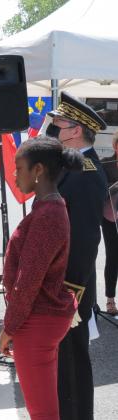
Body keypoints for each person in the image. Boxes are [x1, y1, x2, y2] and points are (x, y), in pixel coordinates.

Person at [0, 136, 80, 420]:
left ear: (38, 171)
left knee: (42, 413)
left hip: (36, 320)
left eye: (18, 168)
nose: (14, 175)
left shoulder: (48, 214)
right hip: (39, 317)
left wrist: (9, 327)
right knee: (43, 408)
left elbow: (29, 280)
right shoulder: (48, 207)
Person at [45, 92, 108, 420]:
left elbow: (85, 241)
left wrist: (68, 292)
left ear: (74, 131)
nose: (53, 129)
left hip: (70, 287)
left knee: (71, 363)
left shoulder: (84, 174)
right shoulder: (73, 167)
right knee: (66, 363)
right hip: (64, 284)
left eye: (57, 124)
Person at [100, 131, 118, 314]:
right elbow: (100, 189)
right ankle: (110, 299)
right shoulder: (105, 163)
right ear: (115, 146)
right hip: (110, 216)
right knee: (113, 256)